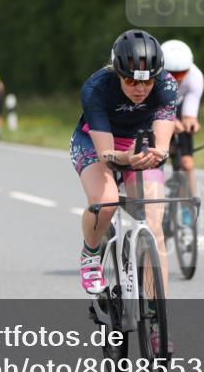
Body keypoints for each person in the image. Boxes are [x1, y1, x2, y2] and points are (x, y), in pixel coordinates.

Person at [71, 29, 177, 317]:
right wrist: (124, 158)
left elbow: (163, 139)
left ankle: (156, 317)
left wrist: (158, 153)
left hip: (140, 144)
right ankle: (91, 252)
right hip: (98, 143)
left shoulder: (167, 85)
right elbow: (106, 154)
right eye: (131, 81)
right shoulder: (97, 88)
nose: (140, 88)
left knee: (154, 227)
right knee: (105, 202)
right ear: (117, 73)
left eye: (147, 81)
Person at [161, 40, 204, 198]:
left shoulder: (195, 76)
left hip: (180, 105)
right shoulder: (153, 77)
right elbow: (155, 107)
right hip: (157, 106)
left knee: (187, 163)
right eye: (172, 74)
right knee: (159, 153)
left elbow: (189, 113)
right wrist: (170, 121)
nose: (177, 78)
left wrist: (191, 123)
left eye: (182, 74)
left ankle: (192, 203)